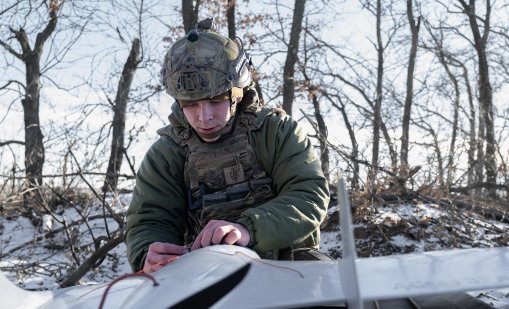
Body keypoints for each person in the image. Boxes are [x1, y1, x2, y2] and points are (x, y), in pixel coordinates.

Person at [125, 18, 330, 273]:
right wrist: (149, 252)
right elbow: (150, 219)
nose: (204, 117)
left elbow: (308, 195)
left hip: (288, 264)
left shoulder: (277, 132)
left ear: (237, 94)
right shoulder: (167, 154)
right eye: (191, 105)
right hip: (206, 272)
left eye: (215, 101)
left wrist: (247, 229)